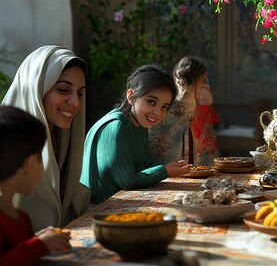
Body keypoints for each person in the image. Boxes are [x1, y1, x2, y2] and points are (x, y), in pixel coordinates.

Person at [1, 46, 90, 231]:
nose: (75, 102)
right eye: (64, 89)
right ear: (35, 88)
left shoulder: (62, 138)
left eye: (80, 93)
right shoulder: (7, 141)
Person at [81, 65, 190, 204]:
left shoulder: (139, 123)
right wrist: (165, 171)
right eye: (151, 102)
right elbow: (127, 181)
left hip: (124, 202)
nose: (158, 113)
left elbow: (141, 164)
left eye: (164, 107)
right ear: (131, 96)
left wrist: (171, 168)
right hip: (100, 209)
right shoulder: (117, 125)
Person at [0, 106, 72, 266]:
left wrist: (40, 240)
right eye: (41, 157)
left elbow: (16, 252)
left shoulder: (21, 218)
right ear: (30, 163)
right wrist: (39, 245)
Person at [149, 56, 220, 166]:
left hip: (178, 109)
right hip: (186, 111)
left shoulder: (167, 104)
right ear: (201, 77)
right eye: (203, 80)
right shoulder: (201, 98)